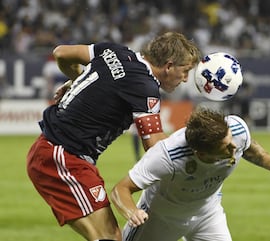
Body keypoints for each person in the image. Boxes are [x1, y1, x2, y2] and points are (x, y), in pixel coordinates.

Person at [26, 31, 201, 241]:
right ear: (169, 65)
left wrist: (79, 79)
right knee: (108, 236)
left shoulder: (114, 51)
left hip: (57, 153)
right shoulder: (144, 86)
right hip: (62, 158)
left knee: (110, 236)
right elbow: (155, 146)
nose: (185, 79)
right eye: (185, 71)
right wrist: (197, 145)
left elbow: (61, 53)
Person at [110, 107, 270, 241]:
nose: (234, 147)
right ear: (201, 154)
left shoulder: (236, 130)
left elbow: (251, 149)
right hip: (161, 218)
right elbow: (120, 189)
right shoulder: (167, 156)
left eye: (231, 140)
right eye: (226, 147)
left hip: (207, 213)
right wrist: (132, 212)